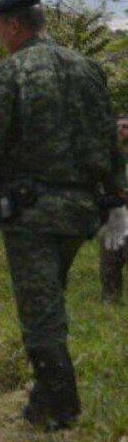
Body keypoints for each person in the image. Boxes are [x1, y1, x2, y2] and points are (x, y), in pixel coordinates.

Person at [0, 0, 125, 431]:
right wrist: (118, 199)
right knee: (49, 300)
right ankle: (41, 405)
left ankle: (63, 406)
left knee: (39, 312)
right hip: (81, 210)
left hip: (32, 212)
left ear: (13, 26)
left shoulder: (10, 74)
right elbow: (111, 139)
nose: (0, 38)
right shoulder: (88, 70)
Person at [99, 116, 128, 305]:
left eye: (126, 126)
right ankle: (111, 298)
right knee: (110, 260)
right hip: (112, 214)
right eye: (119, 126)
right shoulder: (106, 155)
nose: (122, 130)